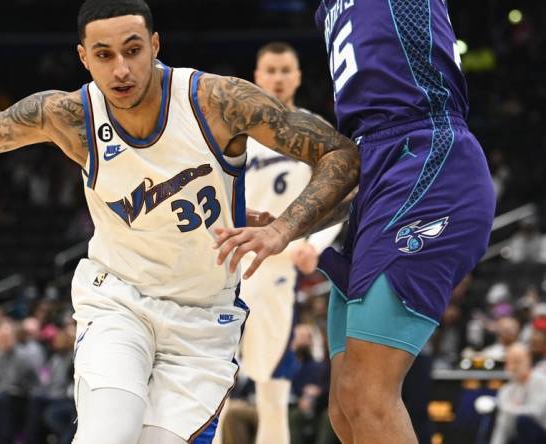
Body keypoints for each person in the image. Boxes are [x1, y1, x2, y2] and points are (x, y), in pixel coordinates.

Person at [0, 0, 359, 441]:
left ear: (155, 44)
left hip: (203, 323)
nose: (122, 68)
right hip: (119, 302)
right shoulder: (69, 116)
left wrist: (285, 227)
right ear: (84, 58)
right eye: (105, 55)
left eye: (134, 49)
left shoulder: (217, 101)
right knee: (107, 433)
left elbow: (341, 156)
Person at [278, 1, 496, 443]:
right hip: (374, 168)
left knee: (369, 394)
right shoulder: (326, 11)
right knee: (344, 405)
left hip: (426, 152)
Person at [233, 41, 343, 444]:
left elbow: (338, 197)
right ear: (257, 76)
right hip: (228, 265)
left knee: (272, 386)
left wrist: (316, 242)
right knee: (215, 379)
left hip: (279, 270)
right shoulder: (236, 131)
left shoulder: (313, 129)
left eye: (285, 70)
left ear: (296, 76)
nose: (278, 78)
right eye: (271, 70)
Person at [490, 343, 546, 444]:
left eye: (518, 361)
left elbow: (537, 412)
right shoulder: (506, 390)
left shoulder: (541, 381)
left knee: (523, 421)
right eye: (511, 362)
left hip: (541, 435)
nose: (514, 366)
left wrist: (508, 408)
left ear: (528, 359)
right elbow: (502, 427)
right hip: (517, 439)